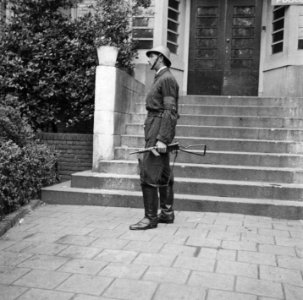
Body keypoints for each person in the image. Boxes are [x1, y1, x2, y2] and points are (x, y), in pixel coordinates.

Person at [129, 45, 179, 230]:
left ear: (160, 57)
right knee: (164, 172)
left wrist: (162, 139)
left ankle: (150, 218)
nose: (148, 59)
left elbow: (170, 111)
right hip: (155, 127)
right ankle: (166, 213)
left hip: (158, 129)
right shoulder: (160, 77)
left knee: (149, 173)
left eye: (151, 56)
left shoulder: (167, 79)